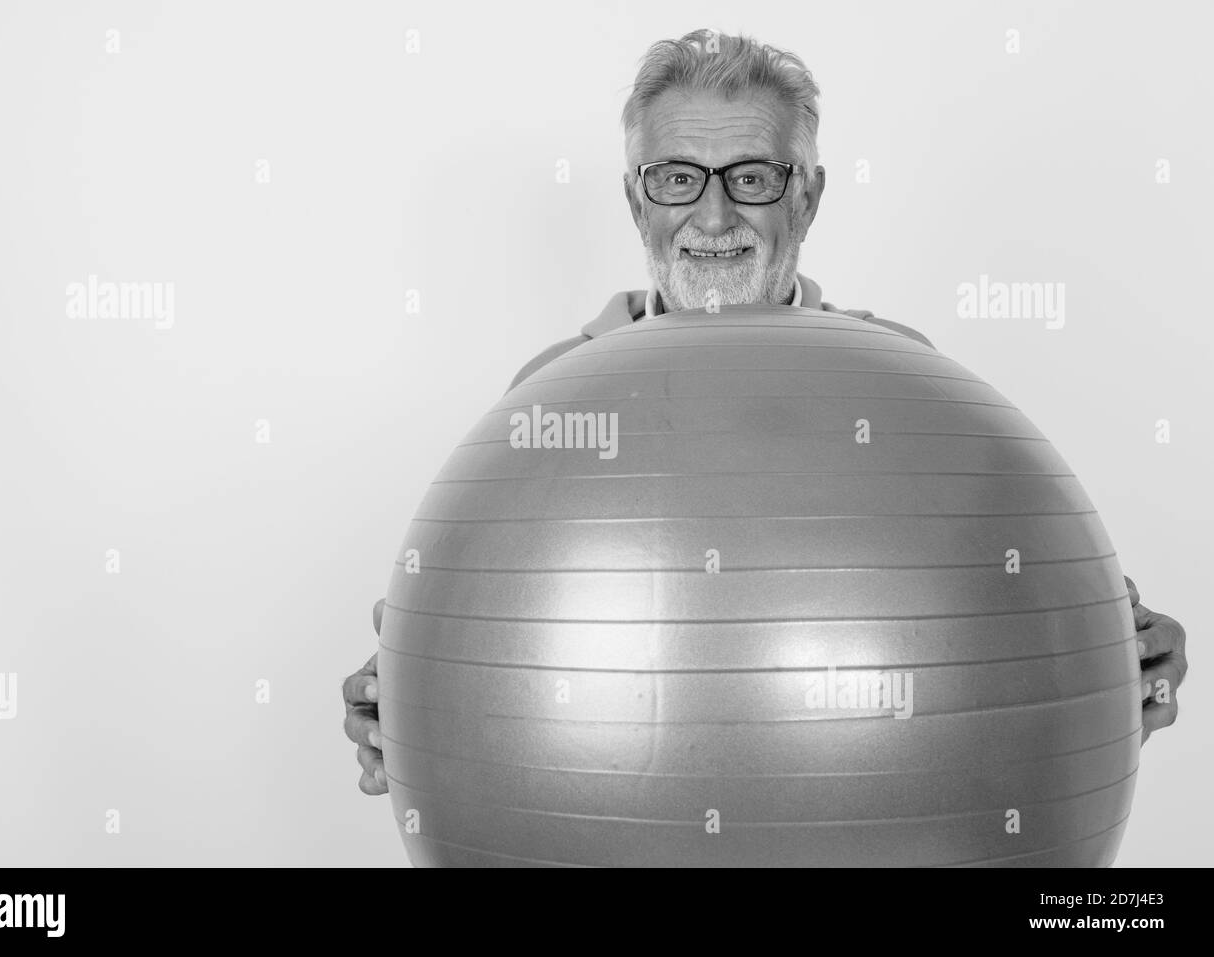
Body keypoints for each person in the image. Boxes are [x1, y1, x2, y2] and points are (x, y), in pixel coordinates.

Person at [344, 30, 1186, 797]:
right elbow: (486, 651)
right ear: (638, 201)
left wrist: (1119, 658)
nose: (713, 217)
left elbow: (1015, 621)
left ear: (808, 196)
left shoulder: (909, 390)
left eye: (751, 177)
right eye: (677, 178)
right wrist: (410, 696)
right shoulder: (549, 400)